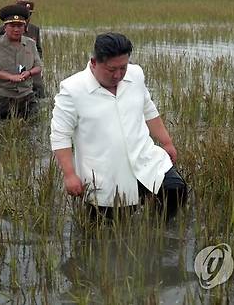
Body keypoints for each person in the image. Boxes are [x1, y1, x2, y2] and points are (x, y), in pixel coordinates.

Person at [50, 32, 187, 220]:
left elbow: (148, 109)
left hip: (144, 159)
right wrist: (69, 175)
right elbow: (60, 136)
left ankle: (155, 235)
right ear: (94, 62)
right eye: (111, 69)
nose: (118, 75)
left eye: (123, 67)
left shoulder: (135, 74)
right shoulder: (72, 90)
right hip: (106, 173)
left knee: (175, 190)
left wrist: (166, 142)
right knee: (108, 230)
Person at [0, 4, 42, 120]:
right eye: (12, 26)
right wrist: (11, 77)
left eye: (20, 26)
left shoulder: (30, 43)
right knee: (5, 130)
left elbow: (38, 66)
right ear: (5, 27)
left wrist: (29, 73)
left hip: (27, 94)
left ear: (25, 27)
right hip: (4, 96)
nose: (16, 29)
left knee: (31, 127)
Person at [0, 0, 45, 98]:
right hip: (12, 67)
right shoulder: (5, 29)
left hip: (30, 68)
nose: (28, 17)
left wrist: (35, 63)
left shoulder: (34, 29)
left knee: (39, 90)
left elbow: (38, 49)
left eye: (30, 14)